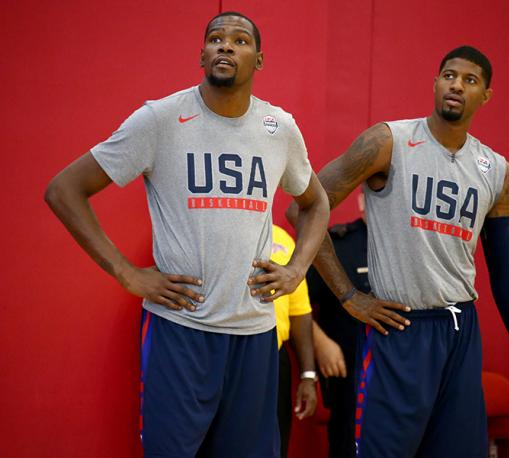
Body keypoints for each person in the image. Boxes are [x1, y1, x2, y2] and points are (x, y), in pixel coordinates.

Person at [44, 11, 329, 458]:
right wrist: (126, 273)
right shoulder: (159, 119)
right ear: (201, 54)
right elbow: (64, 190)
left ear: (259, 60)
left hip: (255, 335)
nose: (226, 46)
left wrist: (296, 270)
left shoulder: (279, 128)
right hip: (182, 329)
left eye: (239, 41)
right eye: (216, 38)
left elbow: (315, 203)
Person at [289, 46, 509, 457]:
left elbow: (506, 276)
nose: (456, 85)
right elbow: (304, 208)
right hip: (400, 329)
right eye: (449, 75)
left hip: (460, 332)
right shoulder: (388, 142)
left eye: (470, 80)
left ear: (486, 95)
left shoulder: (497, 171)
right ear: (435, 82)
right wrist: (349, 296)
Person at [307, 193, 368, 458]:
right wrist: (320, 343)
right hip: (350, 379)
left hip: (405, 369)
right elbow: (296, 304)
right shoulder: (337, 244)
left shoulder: (414, 246)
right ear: (362, 200)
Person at [271, 224, 317, 458]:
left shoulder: (282, 239)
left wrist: (308, 375)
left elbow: (300, 311)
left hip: (273, 358)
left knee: (273, 444)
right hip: (221, 352)